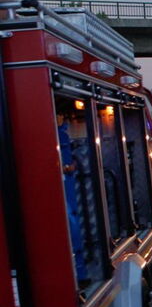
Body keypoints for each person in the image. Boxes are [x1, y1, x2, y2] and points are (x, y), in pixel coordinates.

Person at [58, 111, 89, 288]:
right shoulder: (60, 136)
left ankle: (80, 272)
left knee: (73, 225)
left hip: (67, 186)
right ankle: (79, 273)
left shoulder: (63, 135)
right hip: (63, 188)